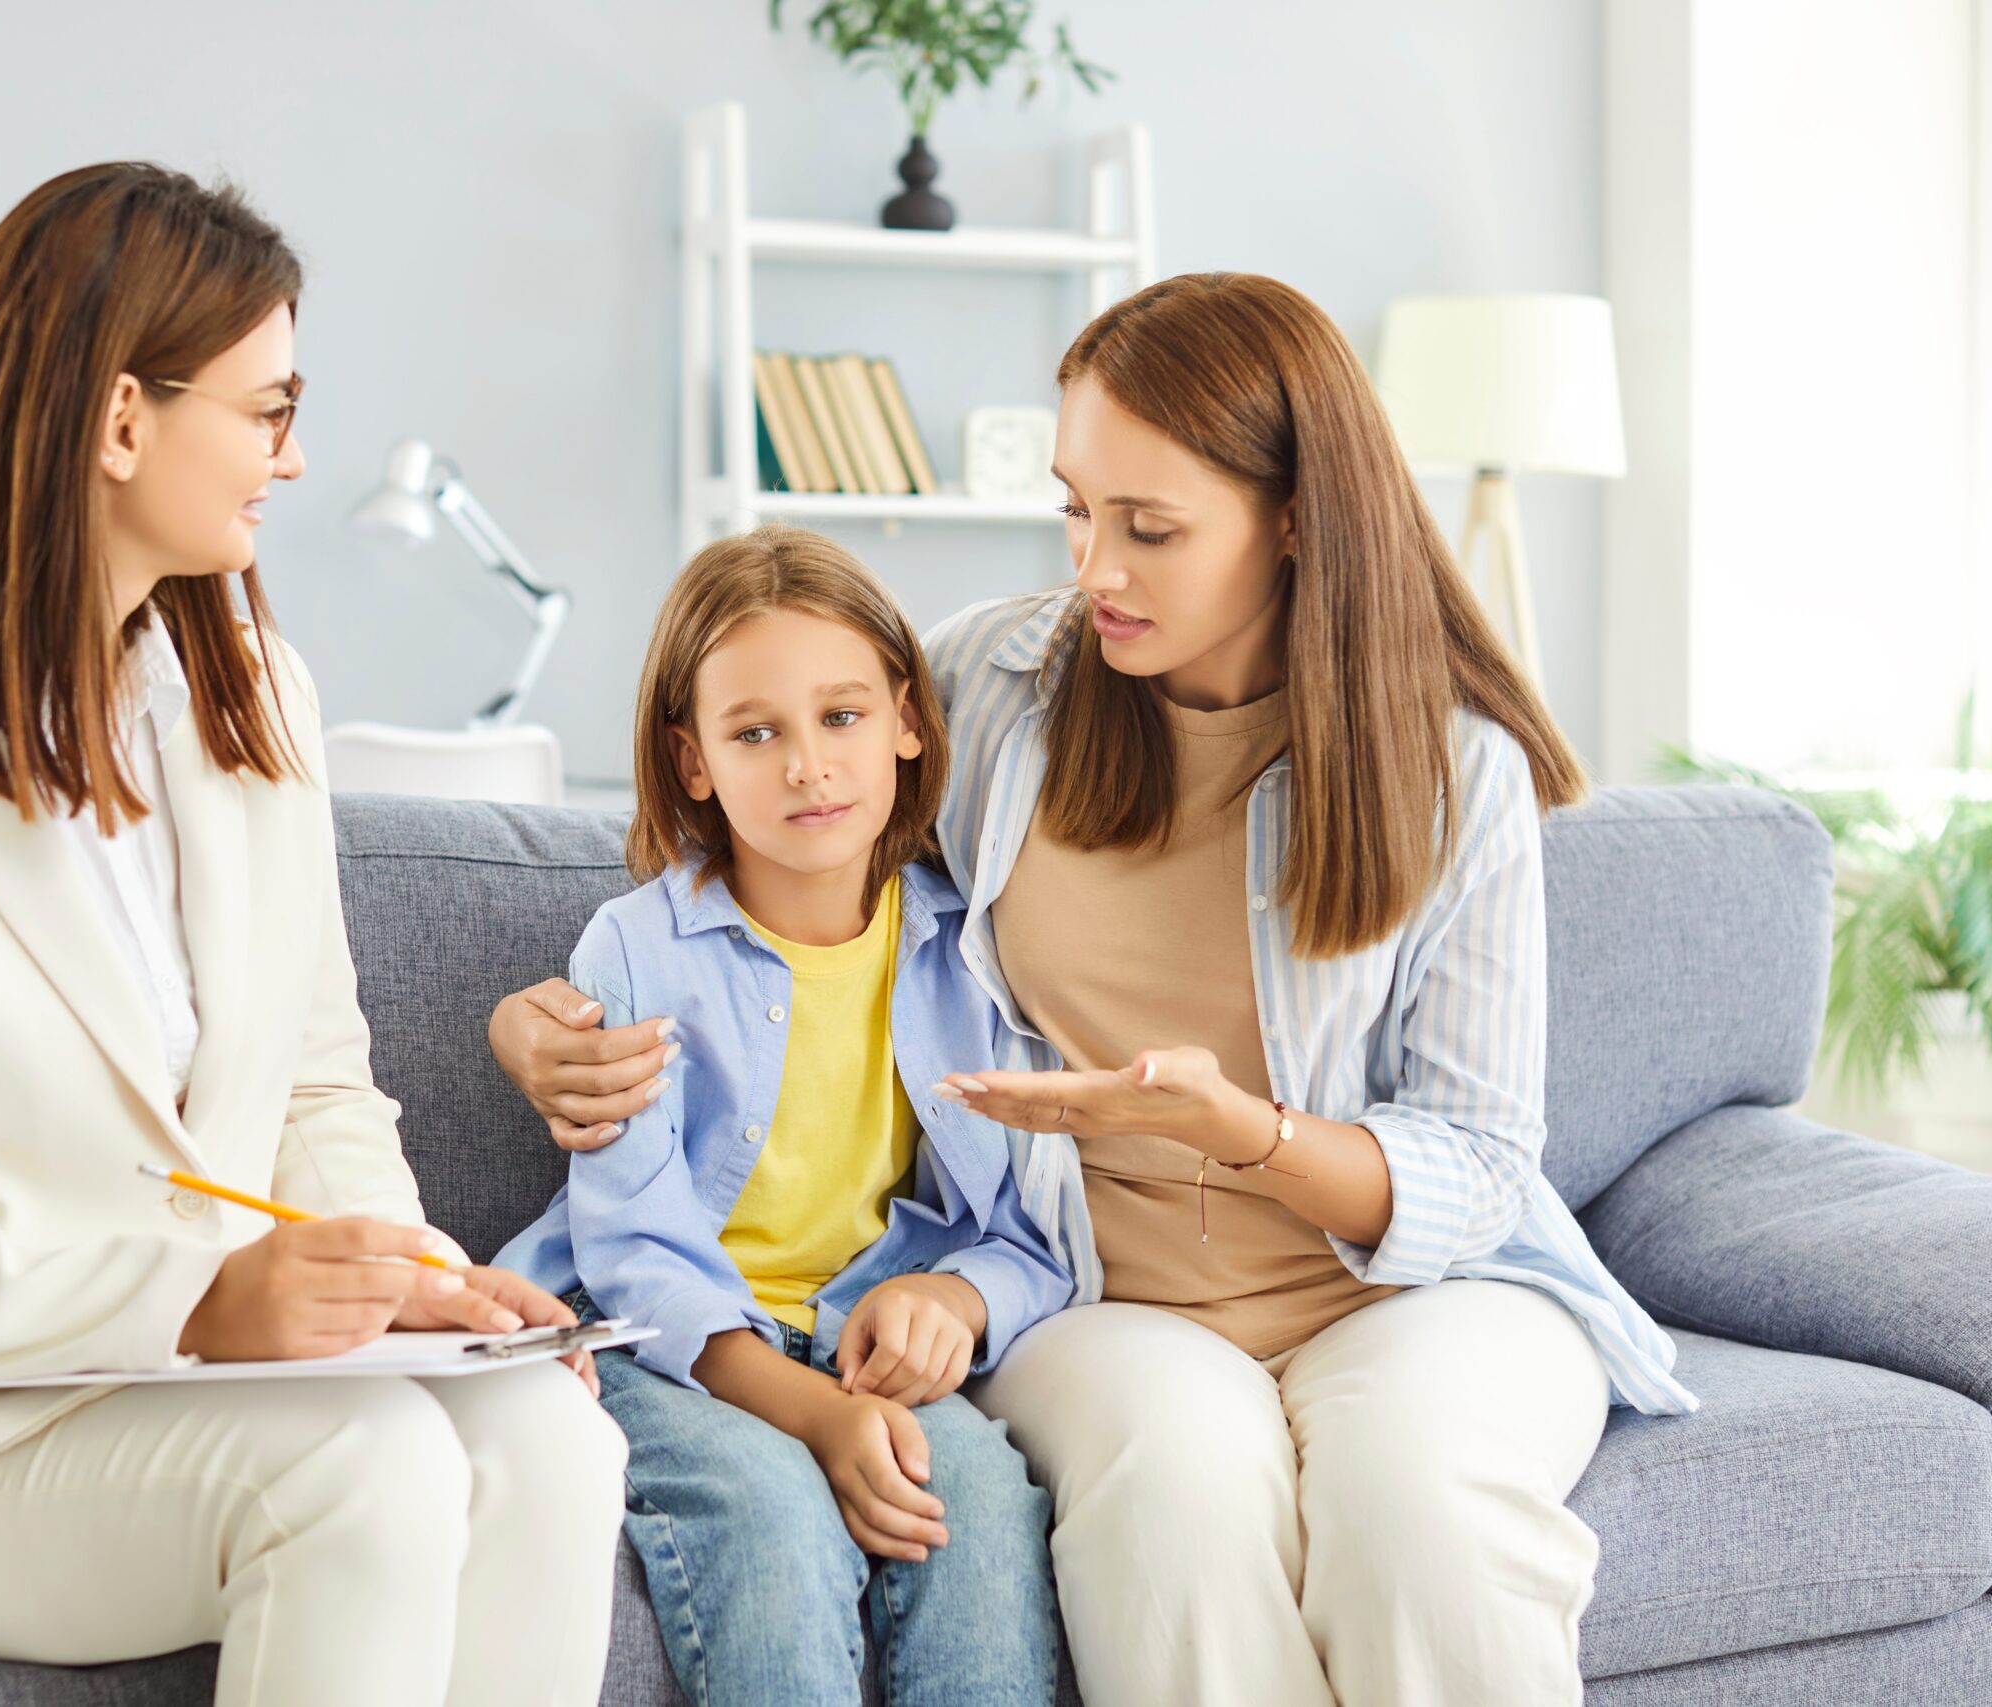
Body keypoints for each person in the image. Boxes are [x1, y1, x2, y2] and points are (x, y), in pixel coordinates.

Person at [487, 273, 1700, 1707]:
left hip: (1427, 1291)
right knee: (1172, 1507)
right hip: (1106, 1296)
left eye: (1151, 527)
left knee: (1422, 1518)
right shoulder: (999, 687)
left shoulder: (1453, 768)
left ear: (1296, 515)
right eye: (1078, 509)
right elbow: (755, 845)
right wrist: (530, 1017)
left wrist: (1238, 1129)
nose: (1095, 569)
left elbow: (1486, 1157)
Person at [0, 162, 624, 1707]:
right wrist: (185, 1300)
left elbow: (315, 1089)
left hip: (183, 1388)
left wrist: (421, 1278)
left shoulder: (253, 693)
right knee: (362, 1466)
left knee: (554, 1441)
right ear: (120, 420)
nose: (296, 458)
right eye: (265, 409)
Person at [494, 526, 1071, 1707]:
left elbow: (1030, 1232)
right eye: (756, 732)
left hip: (857, 1331)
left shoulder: (970, 950)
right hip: (656, 1346)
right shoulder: (637, 948)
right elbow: (637, 1254)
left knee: (971, 1503)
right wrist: (811, 1415)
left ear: (907, 721)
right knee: (766, 1513)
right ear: (692, 758)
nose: (807, 764)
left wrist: (952, 1298)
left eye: (842, 718)